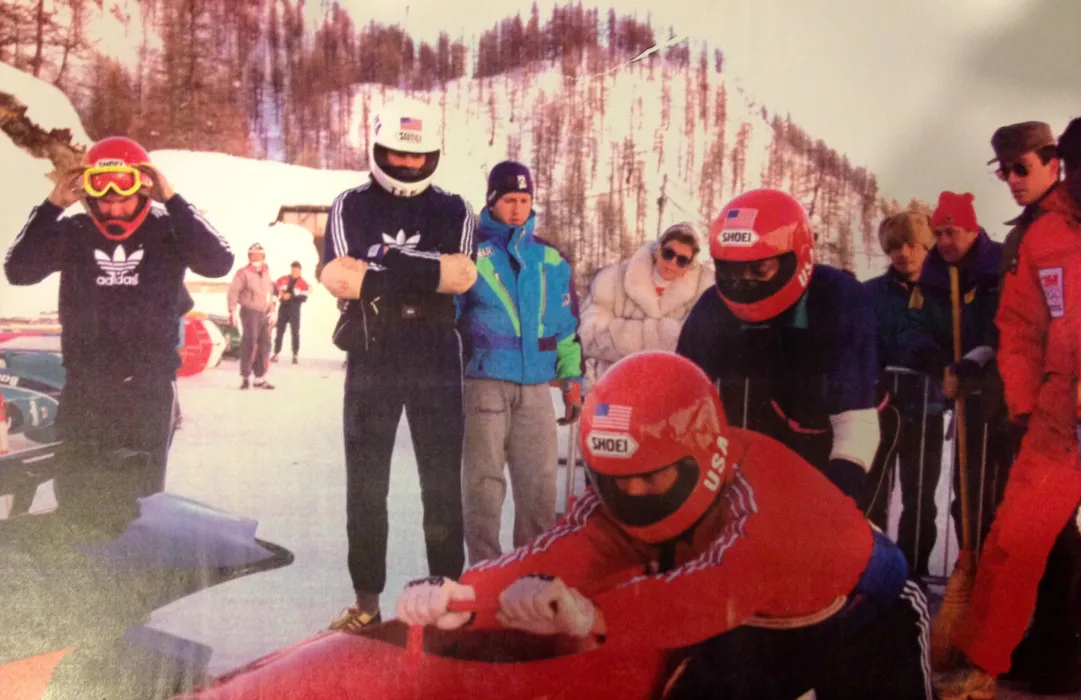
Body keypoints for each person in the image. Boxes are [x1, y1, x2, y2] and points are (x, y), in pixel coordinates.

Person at [396, 352, 931, 699]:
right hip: (757, 627)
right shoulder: (632, 483)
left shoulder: (773, 502)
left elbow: (710, 590)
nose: (629, 496)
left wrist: (592, 614)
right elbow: (565, 548)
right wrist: (464, 596)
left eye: (649, 480)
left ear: (702, 456)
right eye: (613, 481)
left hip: (865, 614)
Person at [3, 135, 233, 527]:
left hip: (147, 390)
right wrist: (51, 207)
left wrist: (173, 199)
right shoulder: (75, 230)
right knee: (76, 500)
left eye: (122, 199)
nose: (114, 209)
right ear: (89, 196)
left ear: (143, 192)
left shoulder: (169, 230)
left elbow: (218, 262)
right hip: (85, 388)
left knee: (141, 507)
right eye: (104, 200)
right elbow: (17, 270)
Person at [322, 97, 477, 630]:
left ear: (433, 155)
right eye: (396, 156)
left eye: (417, 158)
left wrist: (381, 264)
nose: (407, 166)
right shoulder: (350, 204)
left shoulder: (455, 207)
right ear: (377, 150)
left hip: (435, 351)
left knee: (440, 482)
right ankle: (367, 600)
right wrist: (422, 270)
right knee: (366, 482)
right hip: (373, 350)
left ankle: (448, 596)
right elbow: (337, 277)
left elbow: (461, 276)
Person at [940, 119, 1081, 699]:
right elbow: (1021, 327)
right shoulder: (1045, 237)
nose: (1014, 181)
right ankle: (982, 663)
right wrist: (1025, 402)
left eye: (1022, 168)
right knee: (1013, 540)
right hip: (1060, 417)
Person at [676, 188, 880, 500]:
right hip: (762, 433)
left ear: (796, 257)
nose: (742, 283)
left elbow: (856, 424)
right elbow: (682, 398)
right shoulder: (711, 308)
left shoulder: (841, 301)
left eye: (758, 270)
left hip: (834, 434)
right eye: (729, 270)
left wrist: (834, 500)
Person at [457, 160, 583, 565]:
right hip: (485, 383)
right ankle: (485, 571)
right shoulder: (471, 251)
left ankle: (532, 573)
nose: (517, 208)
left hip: (534, 389)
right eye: (509, 199)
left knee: (539, 485)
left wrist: (571, 381)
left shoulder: (550, 259)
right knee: (484, 484)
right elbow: (451, 318)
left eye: (524, 200)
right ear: (492, 201)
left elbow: (565, 327)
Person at [897, 192, 1008, 559]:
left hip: (1005, 398)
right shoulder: (931, 274)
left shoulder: (999, 266)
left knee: (1005, 493)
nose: (943, 242)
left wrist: (976, 359)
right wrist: (937, 362)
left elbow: (1007, 326)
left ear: (973, 231)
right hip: (966, 401)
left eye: (952, 232)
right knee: (969, 493)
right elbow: (911, 329)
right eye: (938, 233)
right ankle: (971, 565)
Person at [863, 210, 944, 576]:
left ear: (926, 245)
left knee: (920, 498)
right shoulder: (870, 294)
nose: (903, 254)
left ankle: (913, 572)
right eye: (894, 246)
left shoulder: (943, 292)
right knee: (873, 494)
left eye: (911, 244)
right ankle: (870, 569)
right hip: (880, 409)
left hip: (924, 409)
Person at [578, 222, 714, 392]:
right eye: (668, 253)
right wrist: (663, 338)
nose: (672, 262)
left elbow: (698, 345)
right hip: (615, 387)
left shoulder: (702, 292)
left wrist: (624, 337)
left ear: (689, 265)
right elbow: (589, 334)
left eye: (682, 260)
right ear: (658, 250)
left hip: (669, 392)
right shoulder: (614, 279)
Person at [228, 243, 276, 389]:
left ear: (263, 256)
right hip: (249, 311)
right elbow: (233, 292)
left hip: (263, 312)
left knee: (265, 344)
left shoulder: (267, 272)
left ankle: (259, 378)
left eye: (259, 255)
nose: (256, 257)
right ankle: (245, 377)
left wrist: (272, 310)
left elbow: (269, 293)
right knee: (249, 342)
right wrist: (233, 310)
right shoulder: (243, 273)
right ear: (249, 256)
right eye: (253, 255)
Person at [271, 261, 309, 364]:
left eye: (296, 270)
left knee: (295, 332)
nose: (294, 271)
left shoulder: (303, 283)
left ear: (300, 270)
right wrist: (280, 296)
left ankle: (295, 355)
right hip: (283, 309)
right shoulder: (283, 279)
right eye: (293, 269)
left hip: (294, 310)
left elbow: (305, 297)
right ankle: (276, 353)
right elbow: (274, 288)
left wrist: (292, 297)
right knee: (279, 331)